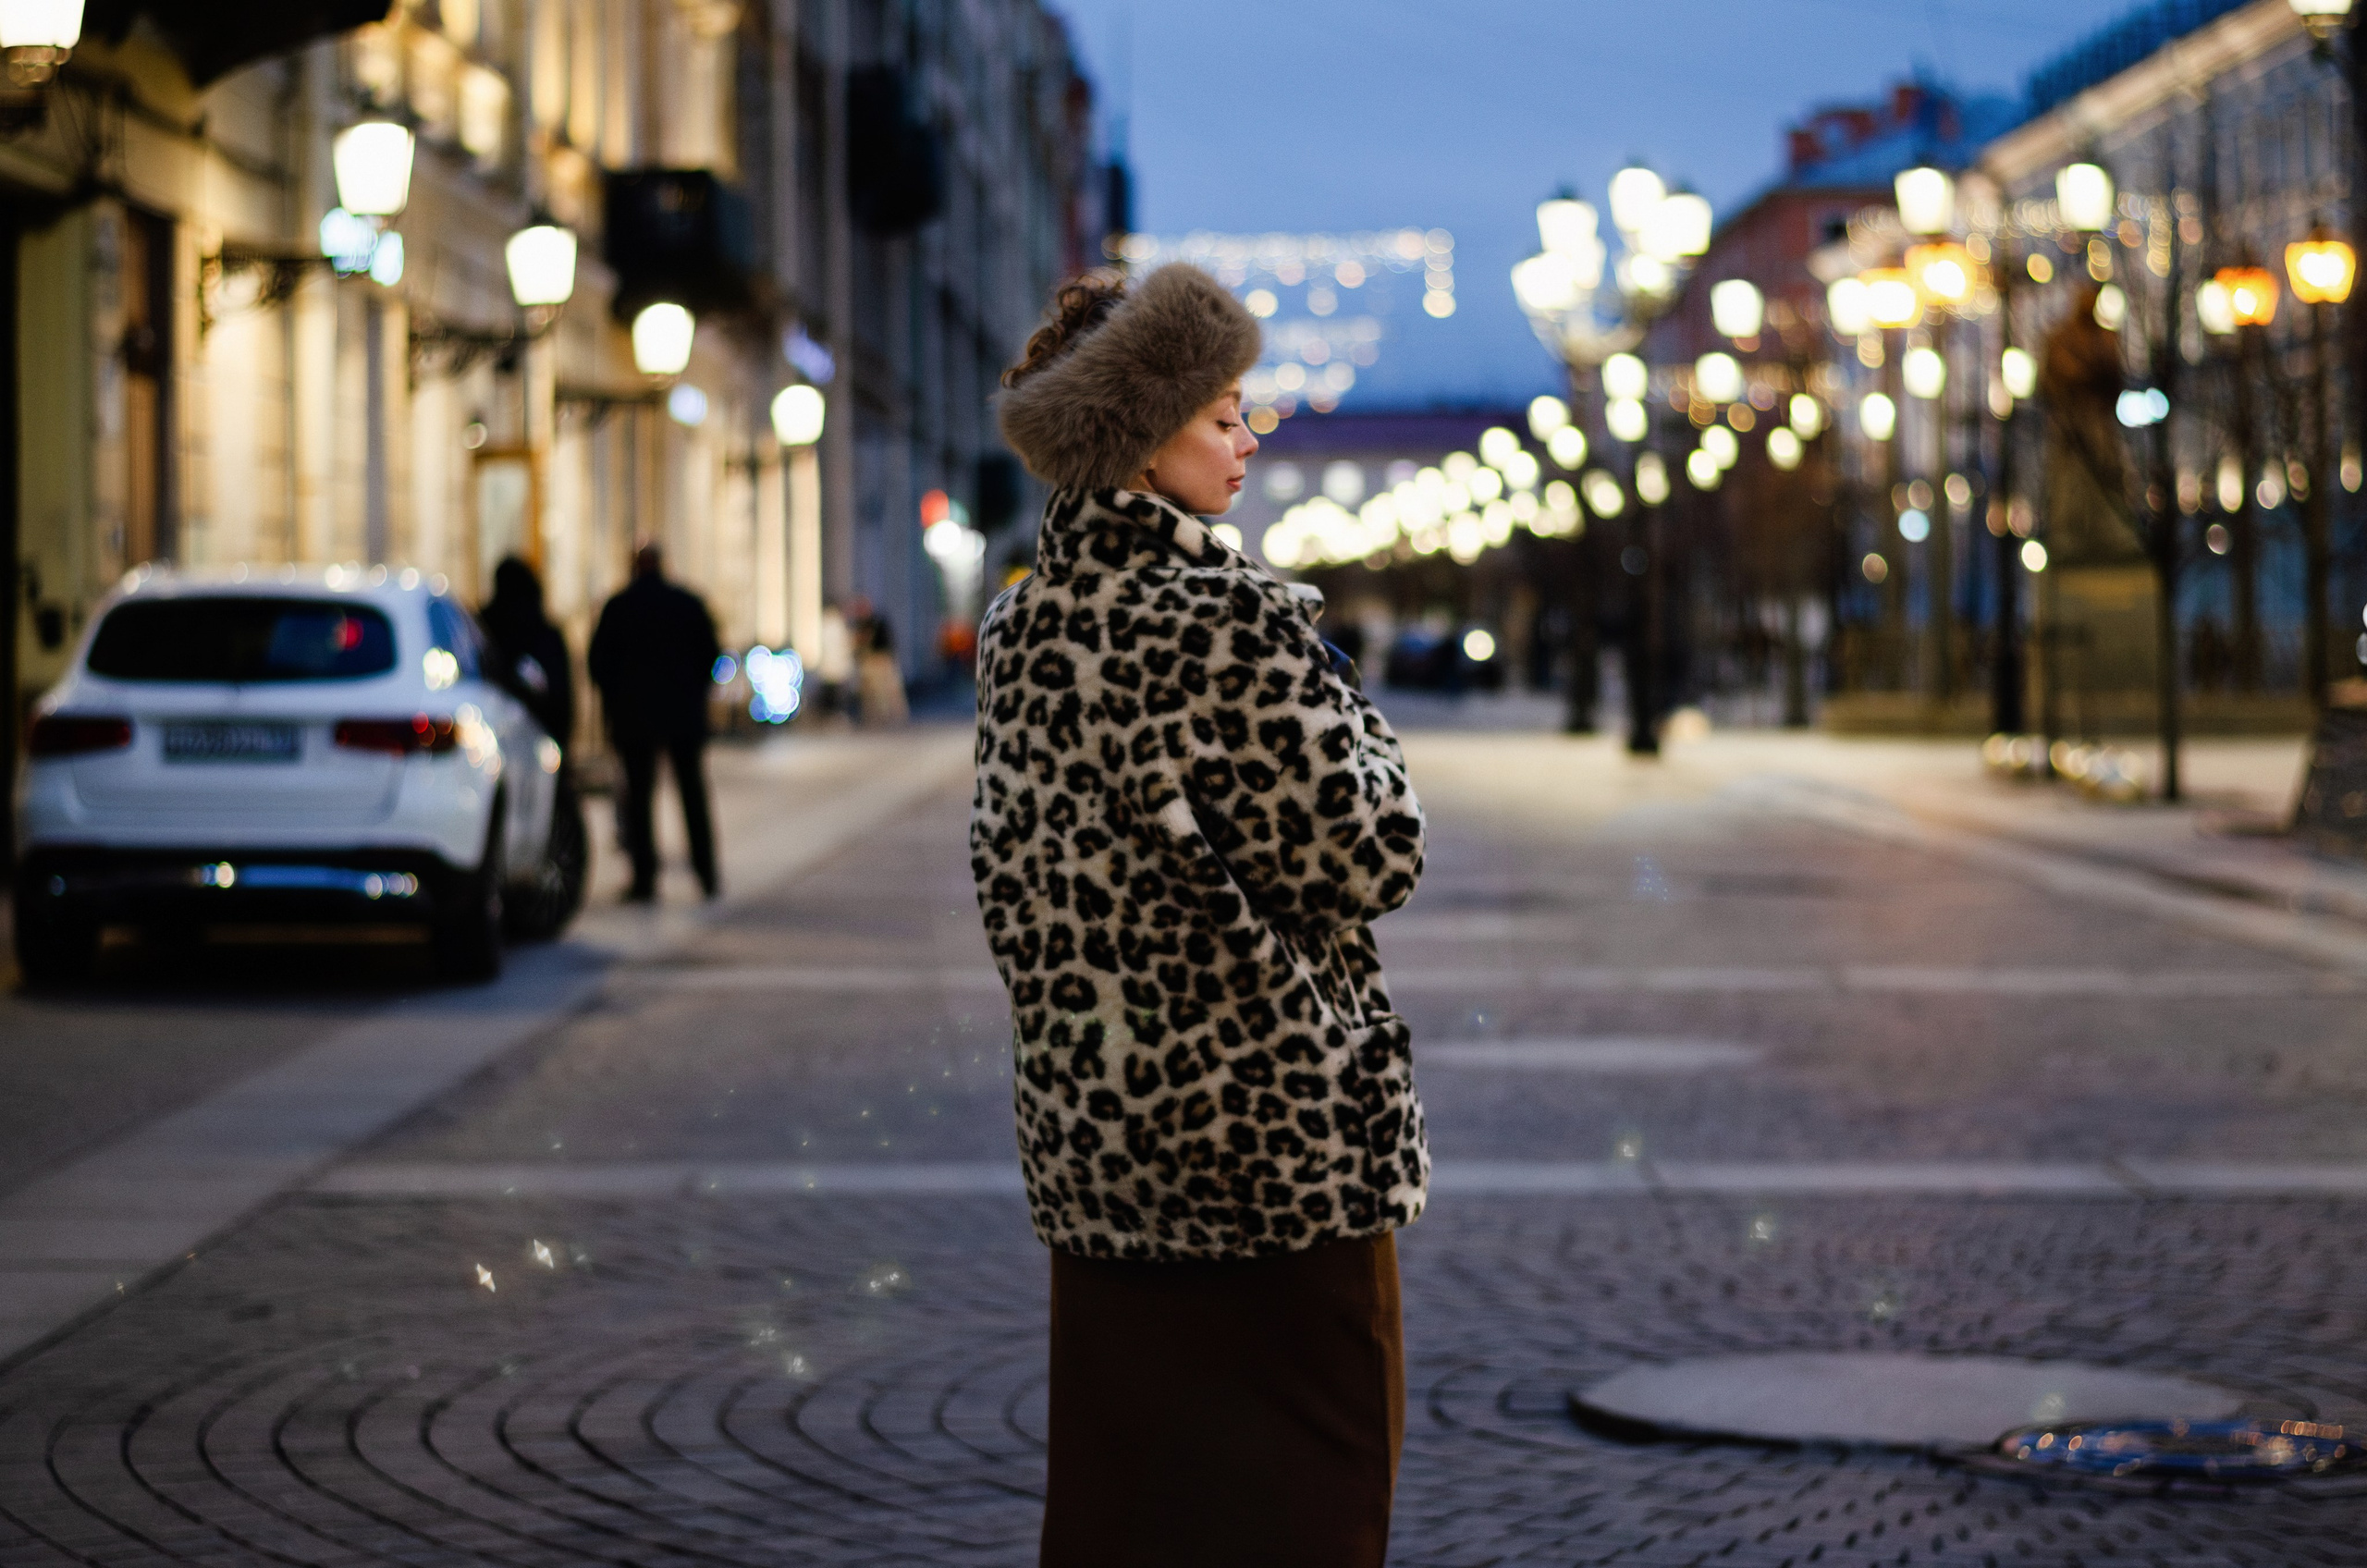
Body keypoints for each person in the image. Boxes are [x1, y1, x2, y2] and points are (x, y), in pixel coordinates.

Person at [977, 264, 1428, 1568]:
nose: (1247, 437)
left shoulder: (1023, 630)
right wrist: (1354, 717)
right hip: (1273, 1149)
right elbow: (1377, 848)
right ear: (1140, 431)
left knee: (1129, 1507)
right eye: (1223, 412)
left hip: (1101, 1149)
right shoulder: (1223, 619)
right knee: (1315, 1500)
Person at [589, 542, 722, 901]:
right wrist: (693, 692)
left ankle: (645, 879)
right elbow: (711, 654)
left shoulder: (619, 607)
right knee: (692, 794)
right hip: (682, 716)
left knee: (639, 800)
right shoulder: (687, 603)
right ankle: (707, 872)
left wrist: (617, 700)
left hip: (635, 719)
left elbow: (598, 663)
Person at [478, 556, 575, 752]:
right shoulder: (545, 634)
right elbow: (561, 698)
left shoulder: (485, 628)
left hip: (498, 734)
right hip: (539, 735)